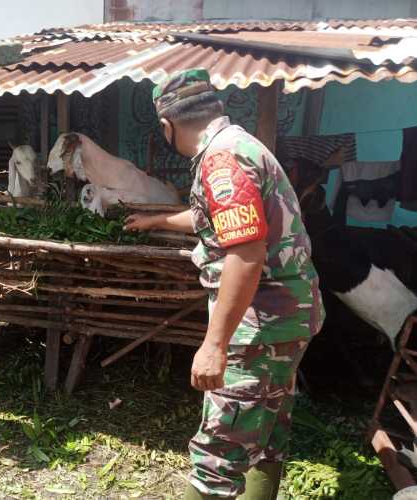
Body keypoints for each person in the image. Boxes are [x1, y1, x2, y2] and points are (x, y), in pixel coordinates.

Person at [125, 69, 325, 499]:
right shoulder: (240, 147)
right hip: (286, 319)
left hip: (259, 328)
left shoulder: (222, 162)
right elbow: (219, 221)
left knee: (218, 451)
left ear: (168, 126)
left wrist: (215, 345)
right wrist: (158, 220)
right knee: (267, 434)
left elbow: (246, 255)